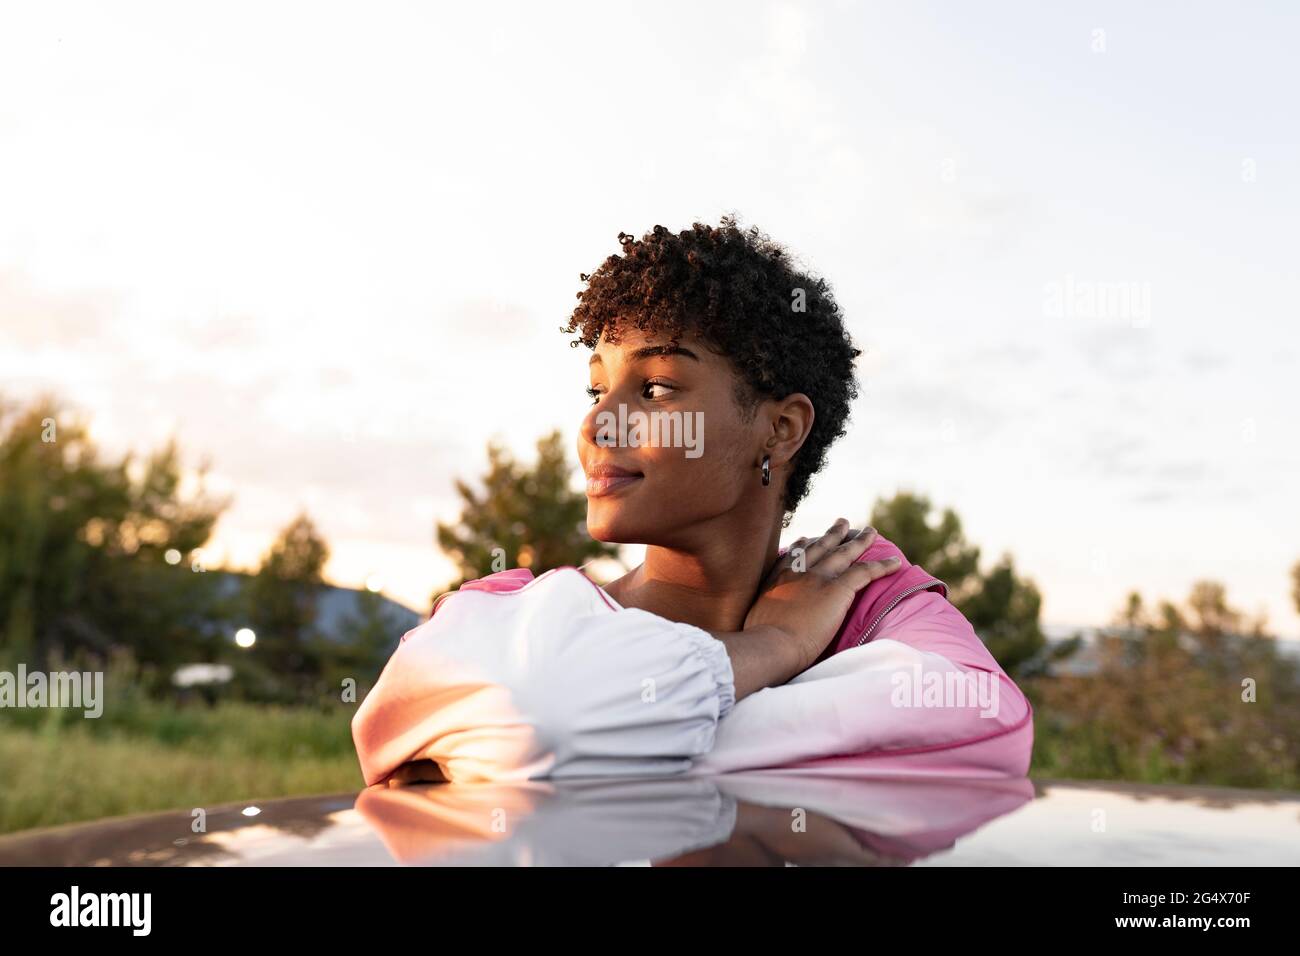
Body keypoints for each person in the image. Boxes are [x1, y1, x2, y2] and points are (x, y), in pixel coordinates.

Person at [352, 218, 1033, 785]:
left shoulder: (860, 591)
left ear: (782, 427)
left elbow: (991, 729)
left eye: (655, 389)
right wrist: (775, 647)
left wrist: (588, 740)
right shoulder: (502, 611)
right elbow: (542, 721)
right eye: (597, 391)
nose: (598, 423)